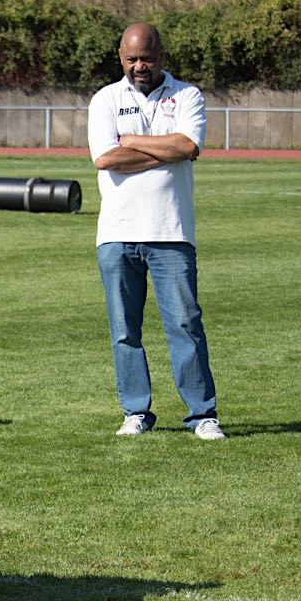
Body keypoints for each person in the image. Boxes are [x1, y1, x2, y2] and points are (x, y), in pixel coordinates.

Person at [89, 22, 223, 440]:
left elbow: (188, 147)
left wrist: (134, 140)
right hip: (117, 233)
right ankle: (136, 411)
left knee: (184, 324)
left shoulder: (187, 95)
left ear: (161, 55)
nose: (139, 66)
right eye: (131, 59)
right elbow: (106, 159)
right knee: (124, 330)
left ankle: (202, 415)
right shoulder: (105, 99)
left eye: (146, 57)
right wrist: (162, 148)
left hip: (172, 231)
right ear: (120, 57)